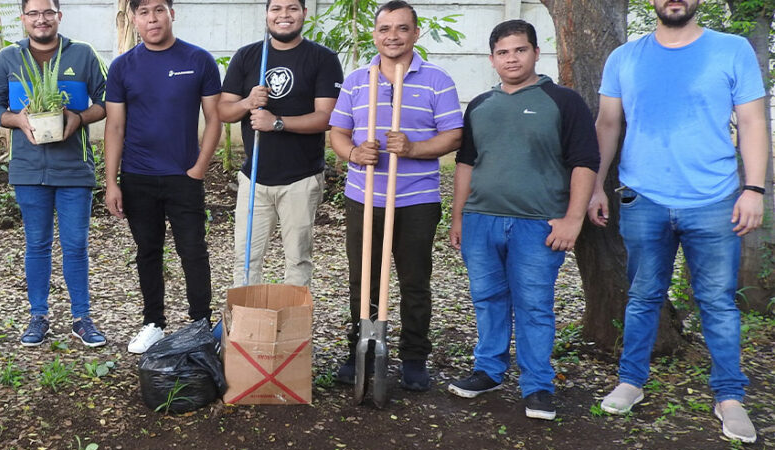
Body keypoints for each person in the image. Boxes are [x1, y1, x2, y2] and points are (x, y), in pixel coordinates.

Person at [588, 0, 769, 442]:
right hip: (643, 197)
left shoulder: (732, 50)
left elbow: (751, 121)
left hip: (713, 199)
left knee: (718, 302)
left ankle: (729, 396)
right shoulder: (625, 58)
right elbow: (608, 124)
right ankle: (632, 381)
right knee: (643, 296)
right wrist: (595, 185)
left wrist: (755, 188)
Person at [447, 20, 599, 419]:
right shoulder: (480, 104)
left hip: (537, 224)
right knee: (488, 299)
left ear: (535, 52)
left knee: (534, 306)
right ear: (492, 59)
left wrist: (573, 220)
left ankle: (537, 385)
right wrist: (458, 218)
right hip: (481, 221)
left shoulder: (563, 102)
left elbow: (584, 163)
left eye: (519, 50)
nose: (511, 58)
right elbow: (465, 163)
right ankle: (489, 370)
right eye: (503, 52)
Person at [329, 0, 462, 391]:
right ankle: (362, 351)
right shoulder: (357, 80)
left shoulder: (438, 80)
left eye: (402, 28)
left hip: (417, 199)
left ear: (415, 33)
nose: (393, 36)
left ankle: (414, 357)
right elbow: (337, 132)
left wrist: (413, 148)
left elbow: (453, 135)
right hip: (364, 196)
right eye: (385, 28)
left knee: (415, 280)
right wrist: (354, 152)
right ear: (375, 34)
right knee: (363, 279)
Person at [0, 0, 109, 348]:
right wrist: (17, 120)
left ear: (59, 16)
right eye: (33, 13)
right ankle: (38, 316)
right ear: (23, 18)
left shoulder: (84, 54)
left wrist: (79, 117)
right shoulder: (8, 58)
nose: (41, 19)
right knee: (36, 245)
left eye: (48, 12)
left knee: (75, 245)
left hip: (74, 169)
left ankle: (81, 318)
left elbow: (107, 100)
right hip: (28, 170)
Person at [103, 0, 222, 354]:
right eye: (143, 12)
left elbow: (214, 118)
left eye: (159, 9)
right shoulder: (123, 66)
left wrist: (199, 167)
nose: (152, 18)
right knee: (148, 251)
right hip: (138, 176)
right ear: (134, 19)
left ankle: (201, 324)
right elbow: (115, 126)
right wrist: (111, 181)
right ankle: (153, 322)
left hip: (183, 176)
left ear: (173, 13)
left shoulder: (198, 60)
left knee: (193, 251)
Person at [218, 0, 343, 288]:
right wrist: (248, 102)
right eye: (276, 9)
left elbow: (326, 117)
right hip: (255, 179)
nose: (283, 15)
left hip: (301, 179)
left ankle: (291, 330)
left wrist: (277, 122)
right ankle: (246, 330)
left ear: (304, 13)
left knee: (298, 260)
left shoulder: (322, 58)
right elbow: (223, 111)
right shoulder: (248, 56)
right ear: (266, 14)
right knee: (246, 259)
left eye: (292, 8)